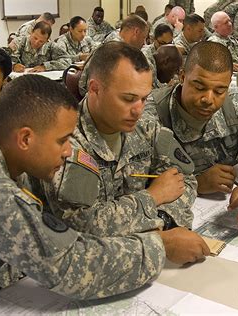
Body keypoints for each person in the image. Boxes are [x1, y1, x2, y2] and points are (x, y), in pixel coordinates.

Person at [0, 74, 210, 313]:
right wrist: (161, 246)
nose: (68, 151)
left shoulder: (3, 164)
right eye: (62, 140)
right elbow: (70, 264)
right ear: (25, 139)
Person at [39, 42, 205, 248]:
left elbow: (185, 181)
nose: (138, 110)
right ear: (94, 89)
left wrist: (164, 219)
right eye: (128, 99)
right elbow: (82, 225)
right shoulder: (66, 143)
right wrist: (153, 197)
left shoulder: (145, 129)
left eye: (144, 99)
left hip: (145, 251)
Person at [145, 41, 238, 227]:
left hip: (220, 212)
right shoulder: (148, 114)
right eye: (199, 87)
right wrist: (195, 183)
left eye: (219, 91)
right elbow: (130, 186)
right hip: (171, 223)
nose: (208, 99)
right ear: (182, 77)